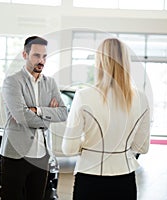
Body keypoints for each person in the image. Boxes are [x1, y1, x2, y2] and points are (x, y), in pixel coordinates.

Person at [62, 38, 151, 200]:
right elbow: (142, 147)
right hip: (125, 179)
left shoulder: (84, 96)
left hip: (90, 177)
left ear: (100, 62)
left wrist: (87, 146)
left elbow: (69, 148)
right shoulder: (141, 98)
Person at [0, 35, 68, 200]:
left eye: (44, 56)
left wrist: (36, 110)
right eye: (36, 55)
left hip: (42, 157)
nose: (41, 60)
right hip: (16, 155)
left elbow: (64, 112)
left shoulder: (50, 83)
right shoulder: (13, 81)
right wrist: (48, 117)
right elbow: (22, 116)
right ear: (25, 55)